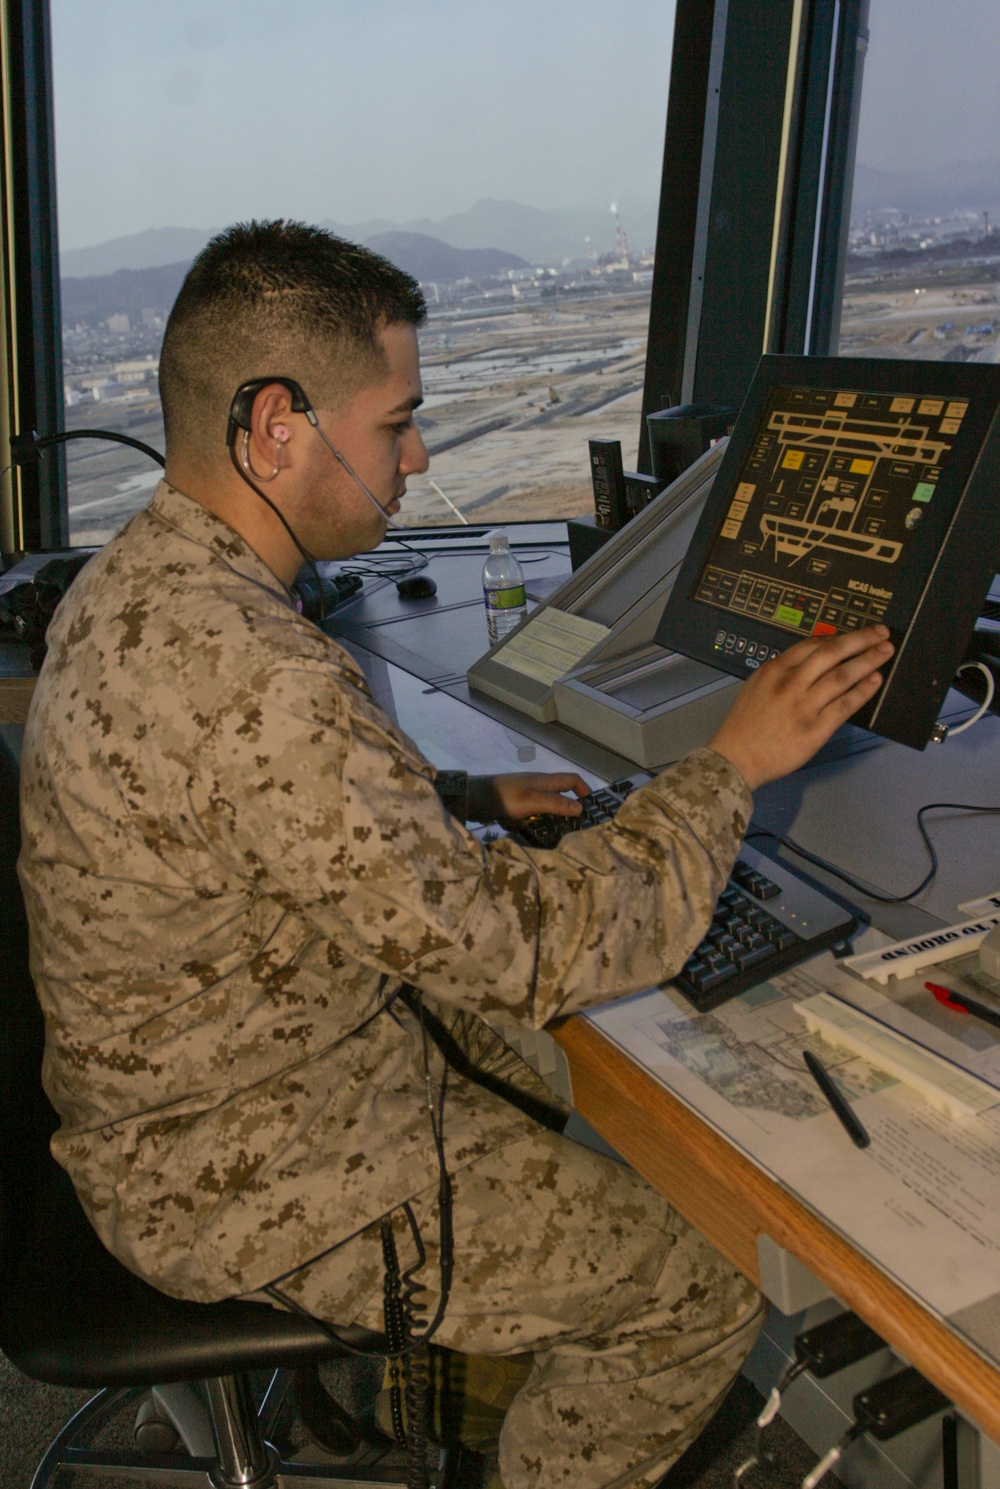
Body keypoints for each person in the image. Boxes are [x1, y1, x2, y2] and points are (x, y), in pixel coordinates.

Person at [18, 221, 892, 1489]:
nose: (417, 455)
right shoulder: (260, 680)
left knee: (585, 1085)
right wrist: (734, 765)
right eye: (396, 422)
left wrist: (456, 791)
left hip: (202, 1082)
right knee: (691, 1289)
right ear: (275, 426)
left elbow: (233, 806)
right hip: (235, 1164)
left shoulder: (141, 582)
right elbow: (527, 951)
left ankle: (434, 1381)